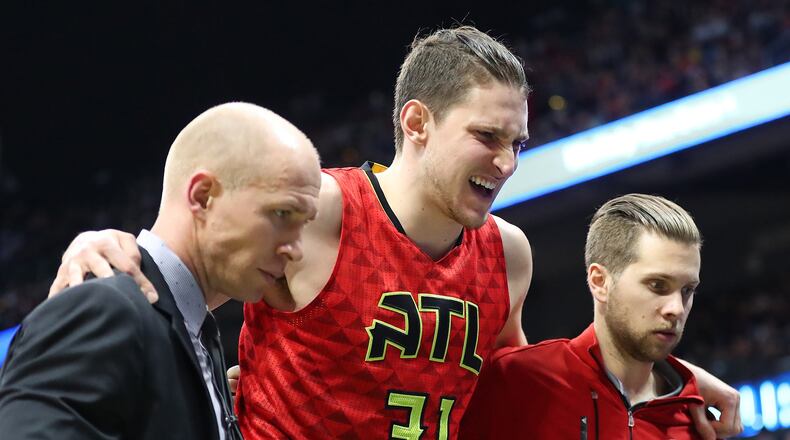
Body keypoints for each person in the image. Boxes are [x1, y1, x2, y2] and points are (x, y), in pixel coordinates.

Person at [46, 26, 740, 440]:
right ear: (416, 124)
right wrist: (108, 244)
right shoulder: (318, 208)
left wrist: (658, 377)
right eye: (487, 136)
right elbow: (193, 256)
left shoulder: (508, 252)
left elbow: (526, 383)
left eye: (519, 142)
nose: (507, 162)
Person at [0, 102, 321, 440]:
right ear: (202, 196)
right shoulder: (105, 309)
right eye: (283, 213)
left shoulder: (198, 339)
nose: (296, 248)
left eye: (304, 224)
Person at [460, 194, 717, 439]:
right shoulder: (515, 379)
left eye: (687, 290)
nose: (677, 308)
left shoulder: (698, 422)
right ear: (600, 282)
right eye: (657, 285)